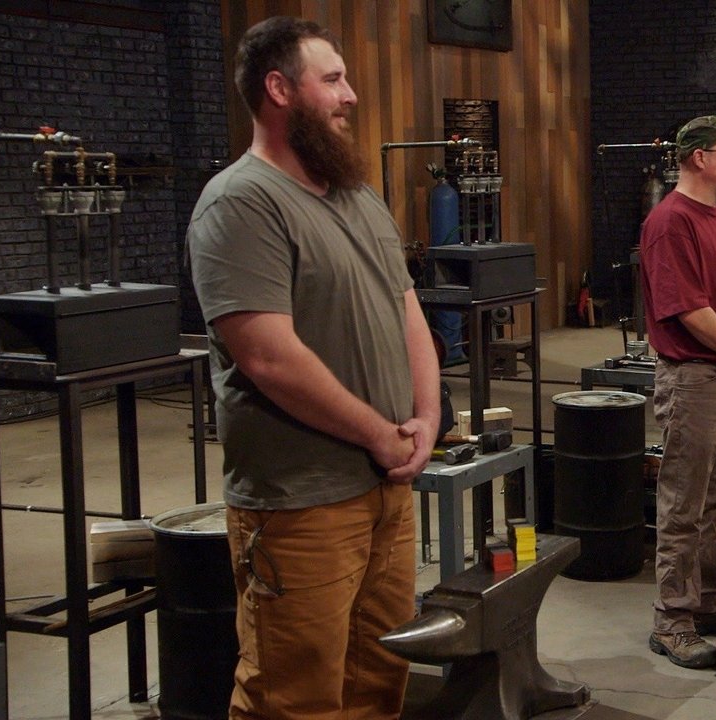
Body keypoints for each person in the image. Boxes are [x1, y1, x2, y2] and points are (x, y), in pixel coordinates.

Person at [187, 16, 442, 719]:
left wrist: (427, 417)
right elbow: (269, 358)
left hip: (385, 492)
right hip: (300, 503)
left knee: (379, 678)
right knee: (292, 696)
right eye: (332, 79)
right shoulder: (241, 203)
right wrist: (380, 435)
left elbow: (407, 309)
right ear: (279, 89)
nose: (350, 95)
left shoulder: (357, 195)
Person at [639, 115, 716, 669]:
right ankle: (672, 621)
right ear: (699, 158)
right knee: (683, 504)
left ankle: (707, 600)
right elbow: (688, 309)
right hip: (695, 379)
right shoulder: (671, 222)